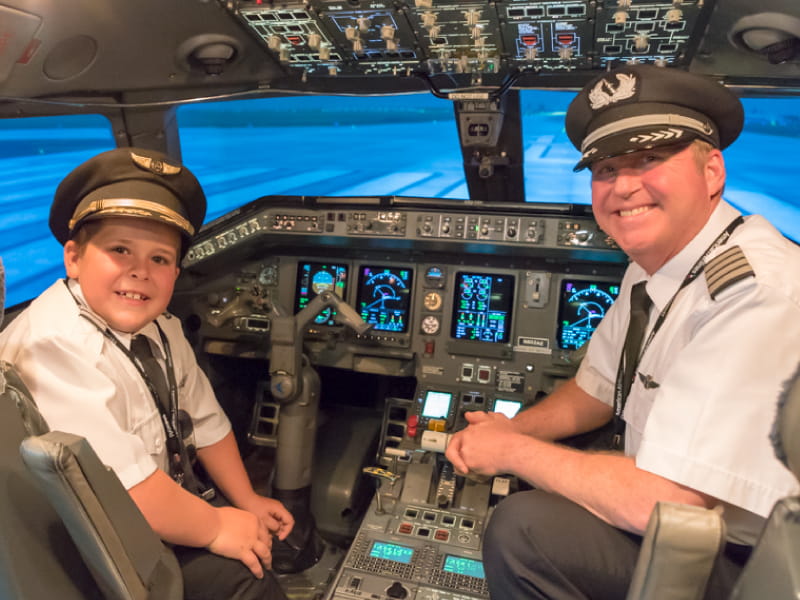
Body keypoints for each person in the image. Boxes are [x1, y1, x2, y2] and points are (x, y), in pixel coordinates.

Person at [445, 64, 800, 599]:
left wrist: (511, 454)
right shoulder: (656, 262)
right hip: (685, 519)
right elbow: (598, 388)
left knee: (524, 530)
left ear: (712, 172)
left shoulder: (757, 291)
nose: (623, 186)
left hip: (750, 562)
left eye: (649, 159)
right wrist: (516, 432)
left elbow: (669, 503)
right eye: (605, 169)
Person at [0, 147, 293, 600]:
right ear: (73, 258)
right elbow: (124, 488)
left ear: (176, 272)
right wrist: (217, 525)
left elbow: (207, 422)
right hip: (93, 536)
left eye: (159, 259)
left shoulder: (159, 327)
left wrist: (247, 501)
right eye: (120, 250)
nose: (140, 272)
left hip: (145, 509)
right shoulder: (53, 343)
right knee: (246, 581)